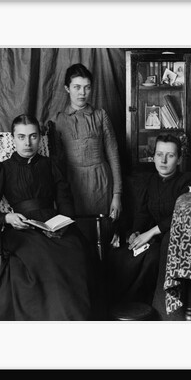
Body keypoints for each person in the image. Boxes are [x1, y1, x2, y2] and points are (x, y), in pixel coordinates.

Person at [0, 114, 102, 321]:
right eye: (22, 137)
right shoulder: (2, 168)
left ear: (40, 138)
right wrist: (7, 218)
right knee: (45, 256)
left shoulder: (51, 165)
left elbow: (65, 202)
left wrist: (63, 222)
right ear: (13, 138)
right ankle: (56, 315)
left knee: (76, 251)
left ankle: (78, 316)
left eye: (33, 136)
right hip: (21, 228)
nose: (28, 142)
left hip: (54, 224)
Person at [105, 134, 191, 320]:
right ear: (153, 156)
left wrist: (150, 233)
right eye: (159, 154)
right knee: (122, 256)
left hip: (176, 240)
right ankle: (124, 307)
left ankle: (153, 310)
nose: (163, 160)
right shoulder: (150, 181)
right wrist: (135, 232)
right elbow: (143, 213)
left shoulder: (187, 181)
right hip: (151, 237)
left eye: (170, 156)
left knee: (153, 257)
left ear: (179, 159)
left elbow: (182, 215)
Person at [48, 63, 122, 245]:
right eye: (77, 87)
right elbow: (55, 164)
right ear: (67, 89)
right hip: (73, 187)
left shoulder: (100, 116)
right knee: (78, 240)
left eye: (87, 87)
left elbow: (113, 155)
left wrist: (117, 195)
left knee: (103, 236)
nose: (82, 92)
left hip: (101, 184)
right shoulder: (58, 120)